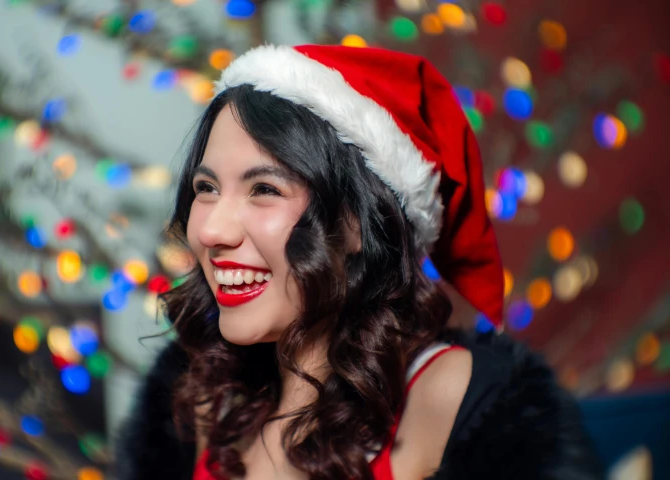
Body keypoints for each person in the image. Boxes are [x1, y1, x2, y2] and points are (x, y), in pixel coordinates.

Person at [116, 45, 601, 480]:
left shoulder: (455, 399)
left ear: (359, 223)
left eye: (264, 189)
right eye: (207, 189)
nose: (210, 231)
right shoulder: (204, 395)